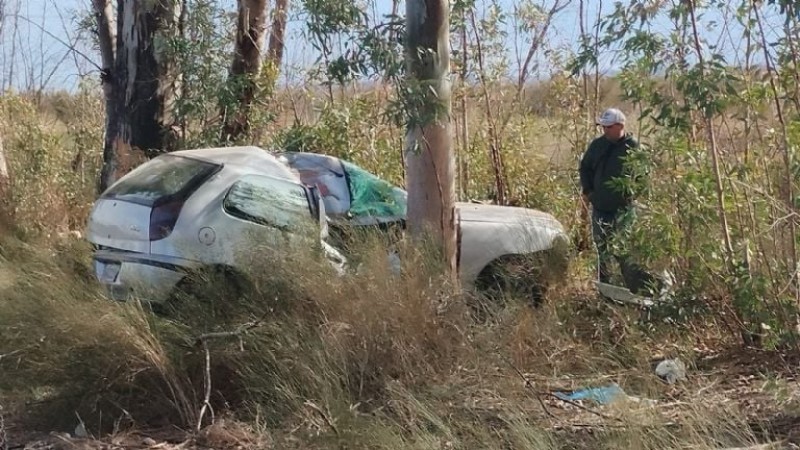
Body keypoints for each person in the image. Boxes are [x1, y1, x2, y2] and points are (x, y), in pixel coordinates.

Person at [579, 107, 658, 295]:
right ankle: (606, 291)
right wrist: (589, 191)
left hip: (624, 211)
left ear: (620, 126)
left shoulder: (634, 147)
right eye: (603, 127)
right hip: (600, 208)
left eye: (608, 127)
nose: (604, 130)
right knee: (603, 250)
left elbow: (643, 177)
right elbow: (585, 167)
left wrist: (631, 197)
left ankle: (634, 290)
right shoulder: (597, 145)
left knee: (623, 251)